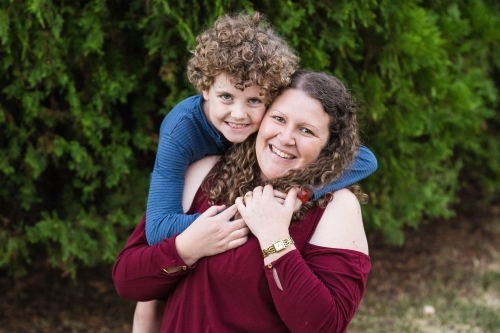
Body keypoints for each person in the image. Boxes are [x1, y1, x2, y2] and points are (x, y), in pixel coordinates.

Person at [114, 70, 372, 333]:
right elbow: (127, 281)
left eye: (305, 130)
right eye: (278, 119)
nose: (285, 138)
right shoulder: (205, 172)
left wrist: (274, 236)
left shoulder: (336, 207)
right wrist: (187, 249)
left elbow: (324, 326)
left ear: (330, 145)